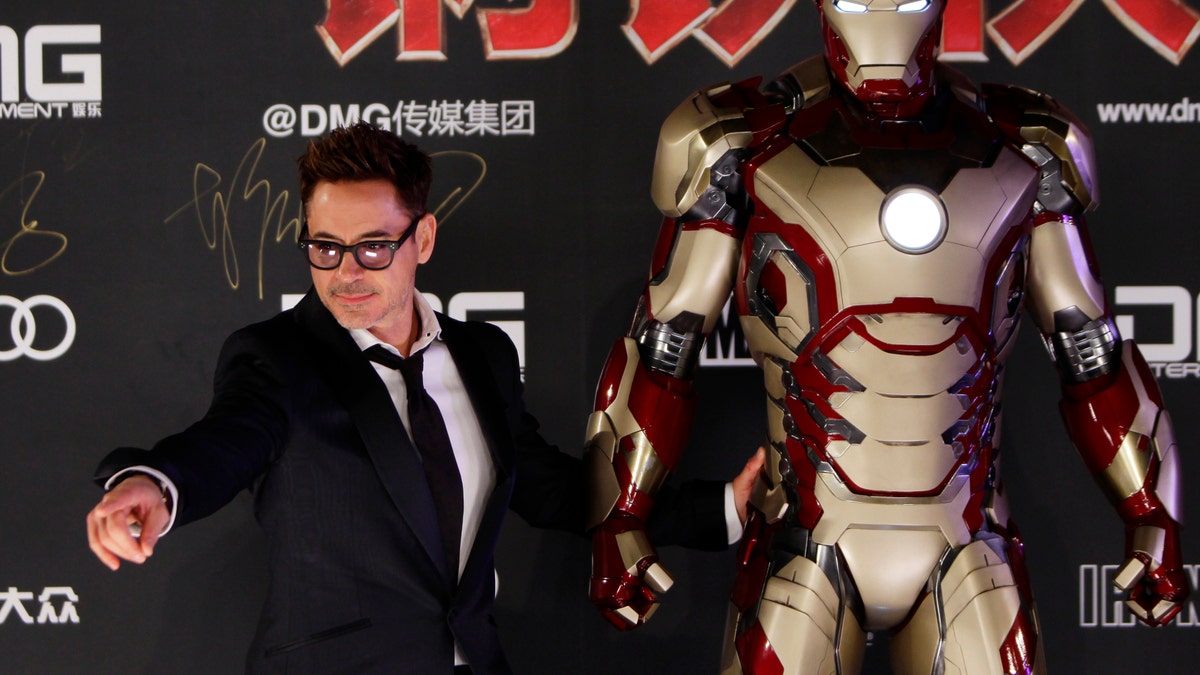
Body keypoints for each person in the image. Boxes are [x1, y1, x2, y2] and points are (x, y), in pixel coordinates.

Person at [583, 1, 1188, 673]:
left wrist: (1151, 513)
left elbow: (1090, 352)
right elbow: (665, 345)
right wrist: (620, 515)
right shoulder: (737, 140)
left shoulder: (1026, 143)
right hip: (806, 535)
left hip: (965, 537)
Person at [86, 121, 763, 675]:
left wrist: (719, 509)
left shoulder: (483, 355)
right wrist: (156, 484)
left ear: (425, 239)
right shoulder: (276, 358)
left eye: (374, 247)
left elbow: (553, 490)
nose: (346, 272)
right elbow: (223, 443)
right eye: (325, 247)